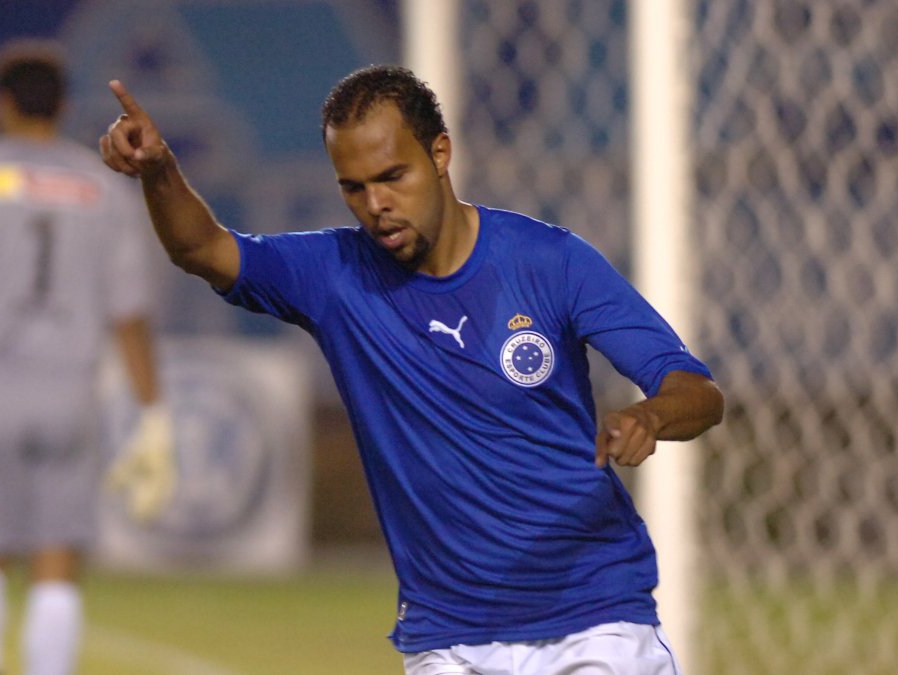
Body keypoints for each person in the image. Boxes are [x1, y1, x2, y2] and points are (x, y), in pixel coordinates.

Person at [100, 64, 724, 674]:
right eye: (353, 187)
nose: (376, 205)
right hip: (447, 637)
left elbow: (694, 389)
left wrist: (650, 414)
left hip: (592, 619)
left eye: (392, 176)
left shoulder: (549, 262)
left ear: (441, 153)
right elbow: (200, 248)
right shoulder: (334, 277)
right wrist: (159, 170)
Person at [0, 39, 176, 675]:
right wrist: (153, 414)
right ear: (64, 105)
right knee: (57, 556)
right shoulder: (102, 188)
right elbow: (130, 314)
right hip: (68, 390)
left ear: (0, 105)